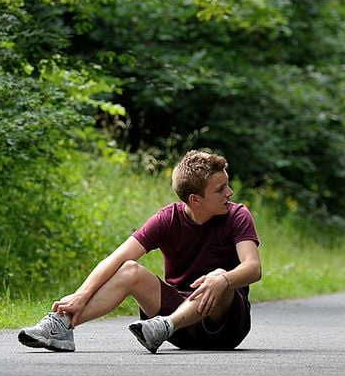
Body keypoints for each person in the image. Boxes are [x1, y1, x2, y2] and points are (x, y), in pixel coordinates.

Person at [18, 150, 262, 354]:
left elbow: (253, 268)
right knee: (129, 269)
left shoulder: (237, 215)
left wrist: (224, 279)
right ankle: (62, 325)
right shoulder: (168, 219)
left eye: (227, 185)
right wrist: (81, 295)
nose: (229, 193)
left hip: (224, 326)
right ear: (195, 199)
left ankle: (167, 324)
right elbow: (117, 258)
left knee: (219, 275)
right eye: (220, 189)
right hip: (178, 330)